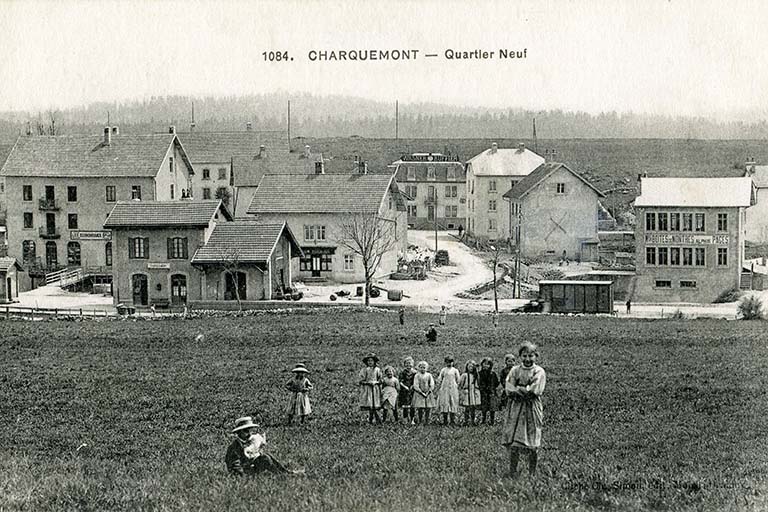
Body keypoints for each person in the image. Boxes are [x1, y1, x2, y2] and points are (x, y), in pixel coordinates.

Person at [502, 342, 546, 477]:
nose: (527, 359)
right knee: (515, 442)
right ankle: (512, 471)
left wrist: (520, 389)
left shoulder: (539, 371)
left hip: (531, 407)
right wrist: (518, 390)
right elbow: (509, 387)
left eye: (531, 356)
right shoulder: (515, 370)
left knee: (532, 442)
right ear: (520, 356)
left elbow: (535, 390)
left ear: (536, 356)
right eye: (524, 356)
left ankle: (532, 473)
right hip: (516, 408)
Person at [225, 417, 301, 476]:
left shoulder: (248, 441)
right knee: (265, 458)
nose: (249, 434)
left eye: (250, 431)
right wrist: (243, 476)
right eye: (246, 431)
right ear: (239, 432)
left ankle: (285, 472)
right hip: (244, 471)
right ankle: (281, 474)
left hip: (251, 466)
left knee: (266, 455)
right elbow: (234, 466)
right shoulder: (234, 447)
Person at [358, 353, 383, 424]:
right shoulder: (364, 370)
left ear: (374, 361)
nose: (370, 362)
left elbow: (381, 380)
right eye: (368, 361)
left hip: (375, 389)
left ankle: (376, 418)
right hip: (368, 389)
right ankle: (371, 418)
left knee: (375, 404)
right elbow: (361, 380)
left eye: (371, 361)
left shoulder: (377, 370)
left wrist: (376, 382)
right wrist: (367, 382)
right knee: (370, 404)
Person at [436, 355, 460, 426]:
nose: (449, 364)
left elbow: (458, 379)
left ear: (453, 362)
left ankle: (452, 421)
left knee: (452, 402)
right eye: (447, 362)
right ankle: (445, 420)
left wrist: (457, 386)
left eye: (451, 362)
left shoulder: (455, 370)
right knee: (445, 402)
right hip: (445, 388)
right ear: (445, 363)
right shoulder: (443, 370)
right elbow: (440, 378)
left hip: (453, 388)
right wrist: (439, 384)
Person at [459, 359, 481, 425]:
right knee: (467, 408)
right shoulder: (464, 375)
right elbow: (460, 384)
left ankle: (473, 421)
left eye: (472, 367)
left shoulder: (476, 375)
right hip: (467, 392)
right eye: (469, 367)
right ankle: (466, 421)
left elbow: (478, 384)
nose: (471, 368)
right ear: (467, 367)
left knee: (473, 408)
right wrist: (463, 390)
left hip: (474, 392)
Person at [478, 357, 499, 425]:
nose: (486, 366)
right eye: (485, 364)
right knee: (484, 407)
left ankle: (492, 420)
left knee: (492, 407)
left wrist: (492, 388)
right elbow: (478, 382)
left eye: (488, 364)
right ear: (482, 364)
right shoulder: (480, 373)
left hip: (491, 392)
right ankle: (483, 420)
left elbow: (496, 383)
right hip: (483, 392)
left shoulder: (493, 374)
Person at [398, 356, 417, 424]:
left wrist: (412, 386)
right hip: (404, 390)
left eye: (410, 363)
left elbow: (416, 381)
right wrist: (404, 386)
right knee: (405, 406)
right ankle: (405, 419)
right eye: (407, 363)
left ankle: (412, 419)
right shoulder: (402, 372)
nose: (408, 365)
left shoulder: (415, 372)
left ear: (413, 364)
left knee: (412, 406)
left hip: (412, 390)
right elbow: (400, 381)